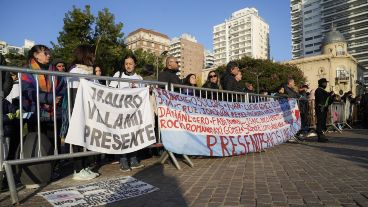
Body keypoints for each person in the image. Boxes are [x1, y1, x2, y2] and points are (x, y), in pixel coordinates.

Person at [67, 44, 99, 180]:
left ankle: (85, 166)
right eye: (92, 53)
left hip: (89, 109)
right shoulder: (75, 71)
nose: (94, 56)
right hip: (78, 108)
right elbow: (74, 93)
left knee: (86, 138)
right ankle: (78, 169)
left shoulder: (90, 71)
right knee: (78, 138)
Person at [110, 54, 145, 172]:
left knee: (134, 135)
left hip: (134, 113)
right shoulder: (117, 75)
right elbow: (110, 90)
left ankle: (134, 159)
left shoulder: (139, 78)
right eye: (126, 64)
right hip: (121, 111)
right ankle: (123, 160)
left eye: (130, 63)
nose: (128, 66)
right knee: (122, 135)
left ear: (135, 64)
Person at [314, 78, 334, 142]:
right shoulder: (319, 90)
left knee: (322, 122)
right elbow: (322, 99)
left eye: (326, 83)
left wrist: (331, 96)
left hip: (324, 109)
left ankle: (322, 135)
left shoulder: (322, 90)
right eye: (325, 83)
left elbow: (328, 100)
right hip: (320, 108)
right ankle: (320, 136)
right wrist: (329, 95)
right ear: (321, 83)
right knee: (320, 122)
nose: (326, 84)